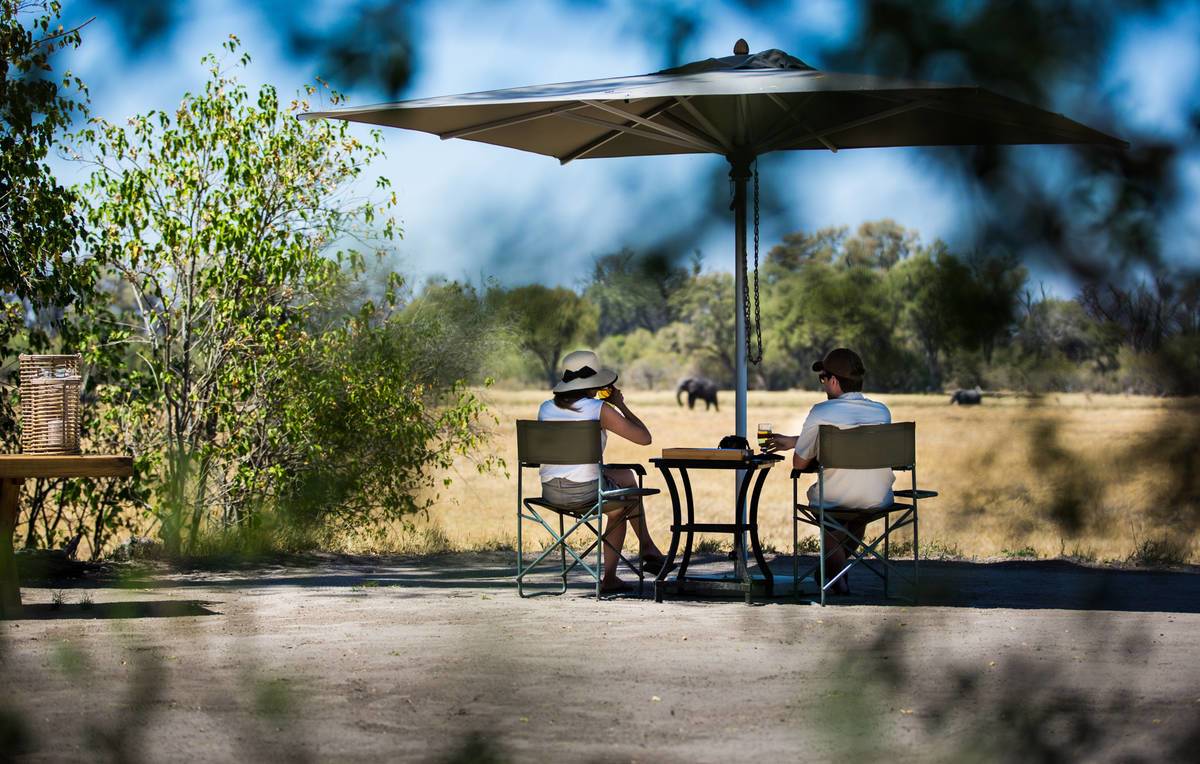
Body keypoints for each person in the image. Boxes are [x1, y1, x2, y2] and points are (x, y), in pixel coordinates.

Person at [764, 348, 893, 595]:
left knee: (831, 514)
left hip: (834, 499)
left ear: (834, 381)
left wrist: (800, 447)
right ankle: (836, 569)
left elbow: (799, 464)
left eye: (822, 378)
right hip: (877, 498)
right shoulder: (882, 412)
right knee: (855, 513)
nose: (822, 384)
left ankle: (835, 575)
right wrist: (795, 440)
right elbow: (854, 437)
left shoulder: (822, 412)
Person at [538, 349, 667, 593]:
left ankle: (648, 547)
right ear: (593, 383)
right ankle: (610, 576)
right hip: (584, 493)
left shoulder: (545, 408)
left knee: (628, 477)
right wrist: (620, 405)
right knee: (622, 506)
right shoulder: (597, 409)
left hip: (551, 492)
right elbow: (644, 438)